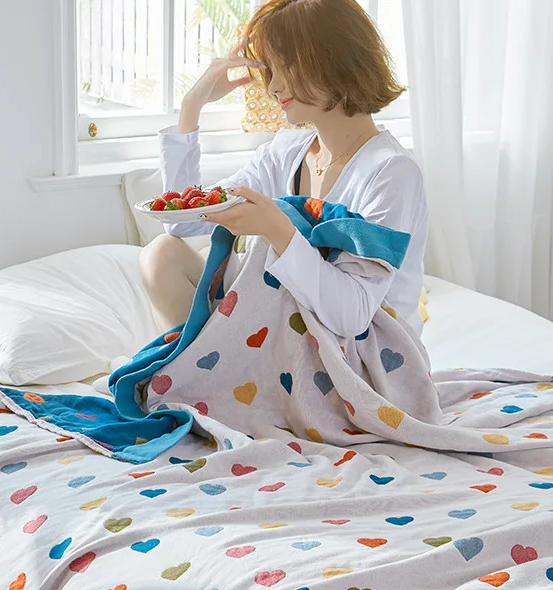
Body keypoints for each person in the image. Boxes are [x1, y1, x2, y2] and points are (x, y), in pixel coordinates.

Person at [139, 0, 428, 341]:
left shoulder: (391, 172)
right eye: (270, 71)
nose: (273, 87)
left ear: (333, 57)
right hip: (285, 338)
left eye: (285, 68)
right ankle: (200, 368)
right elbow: (183, 222)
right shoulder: (284, 154)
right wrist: (192, 105)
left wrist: (277, 230)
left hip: (360, 355)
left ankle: (204, 371)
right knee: (161, 255)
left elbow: (353, 316)